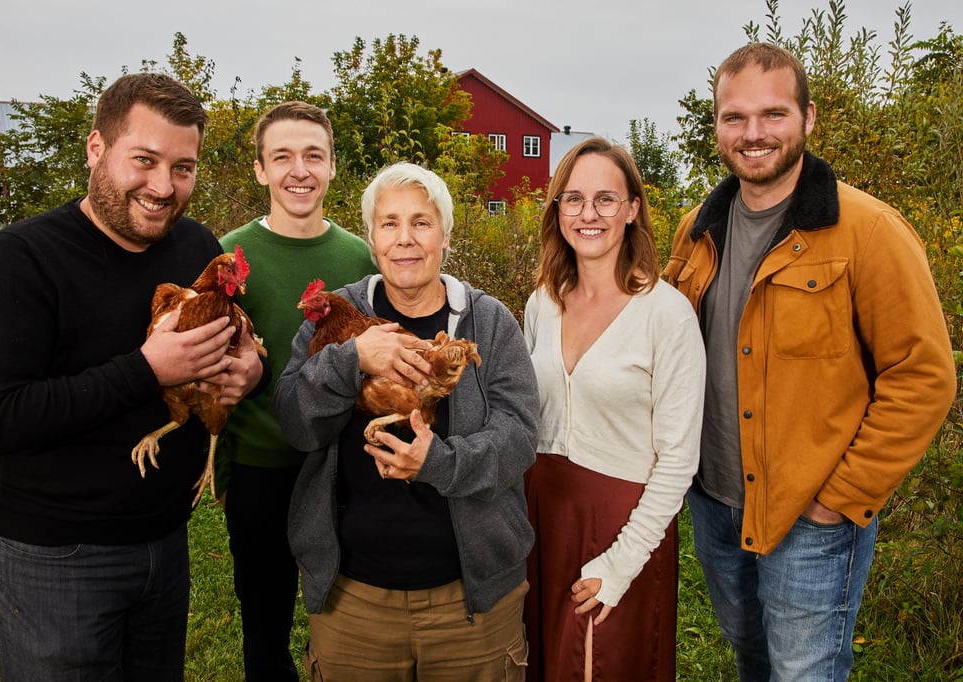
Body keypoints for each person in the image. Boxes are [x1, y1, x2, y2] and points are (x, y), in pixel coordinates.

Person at [0, 73, 266, 681]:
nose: (162, 186)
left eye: (183, 167)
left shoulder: (194, 245)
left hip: (161, 544)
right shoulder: (21, 260)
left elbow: (231, 353)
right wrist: (146, 370)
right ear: (97, 149)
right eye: (144, 160)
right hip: (52, 555)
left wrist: (249, 370)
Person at [663, 42, 957, 681]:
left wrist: (840, 498)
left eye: (773, 115)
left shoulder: (867, 230)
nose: (753, 134)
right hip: (715, 502)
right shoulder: (696, 230)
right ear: (715, 126)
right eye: (734, 117)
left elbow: (924, 375)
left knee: (805, 673)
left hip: (811, 519)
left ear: (808, 118)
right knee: (753, 661)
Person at [274, 161, 539, 681]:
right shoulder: (337, 314)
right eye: (389, 223)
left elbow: (519, 437)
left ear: (445, 234)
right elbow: (294, 422)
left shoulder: (487, 321)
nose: (405, 239)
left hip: (470, 597)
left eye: (421, 222)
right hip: (354, 599)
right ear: (371, 239)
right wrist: (352, 359)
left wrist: (437, 462)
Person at [523, 137, 706, 681]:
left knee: (600, 664)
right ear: (557, 212)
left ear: (631, 210)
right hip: (540, 514)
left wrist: (623, 563)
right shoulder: (542, 302)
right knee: (539, 658)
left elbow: (677, 460)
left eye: (606, 199)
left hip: (620, 523)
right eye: (573, 199)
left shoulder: (665, 314)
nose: (589, 214)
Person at [216, 101, 376, 680]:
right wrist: (228, 473)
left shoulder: (360, 256)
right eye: (282, 156)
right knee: (266, 628)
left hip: (340, 464)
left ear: (333, 166)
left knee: (346, 617)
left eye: (313, 155)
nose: (298, 170)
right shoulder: (233, 253)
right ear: (260, 170)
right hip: (261, 466)